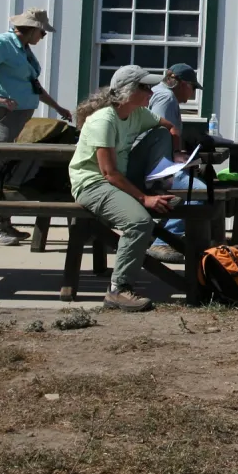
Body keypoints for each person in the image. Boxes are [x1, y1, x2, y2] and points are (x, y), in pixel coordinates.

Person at [69, 66, 183, 311]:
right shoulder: (103, 120)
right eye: (145, 87)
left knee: (160, 133)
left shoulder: (138, 114)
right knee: (139, 222)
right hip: (93, 184)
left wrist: (175, 156)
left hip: (117, 179)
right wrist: (143, 199)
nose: (151, 92)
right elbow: (108, 173)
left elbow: (170, 127)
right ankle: (118, 290)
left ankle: (157, 186)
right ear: (126, 91)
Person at [0, 8, 74, 246]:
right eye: (42, 32)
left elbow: (33, 84)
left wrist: (57, 107)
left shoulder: (23, 49)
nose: (43, 37)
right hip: (3, 115)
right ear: (32, 29)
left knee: (10, 167)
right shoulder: (3, 43)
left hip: (20, 115)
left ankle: (4, 221)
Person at [143, 64, 205, 263]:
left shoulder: (162, 95)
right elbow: (162, 128)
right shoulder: (165, 97)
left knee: (196, 179)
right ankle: (163, 242)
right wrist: (177, 155)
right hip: (155, 166)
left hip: (155, 161)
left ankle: (158, 232)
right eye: (192, 87)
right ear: (182, 83)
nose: (193, 92)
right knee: (198, 190)